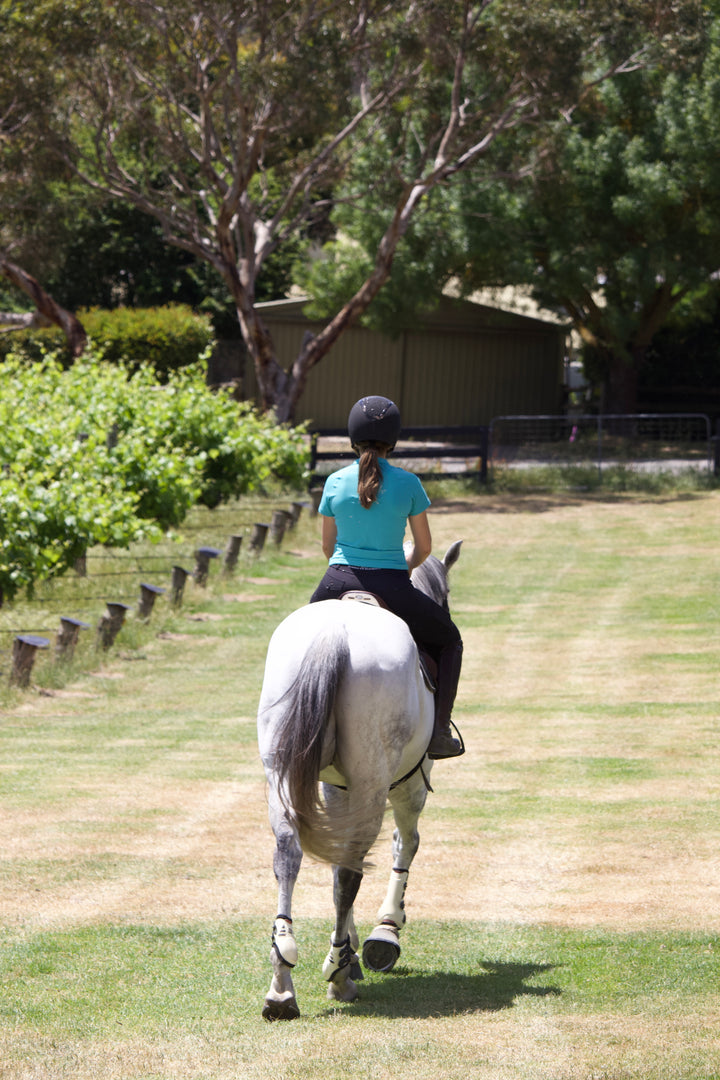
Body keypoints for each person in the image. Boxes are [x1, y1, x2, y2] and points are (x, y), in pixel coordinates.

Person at [310, 395, 464, 759]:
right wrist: (405, 563)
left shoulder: (334, 481)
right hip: (391, 585)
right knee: (450, 640)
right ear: (392, 441)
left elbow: (327, 547)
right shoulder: (409, 483)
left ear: (352, 438)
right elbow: (424, 549)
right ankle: (440, 732)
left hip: (336, 581)